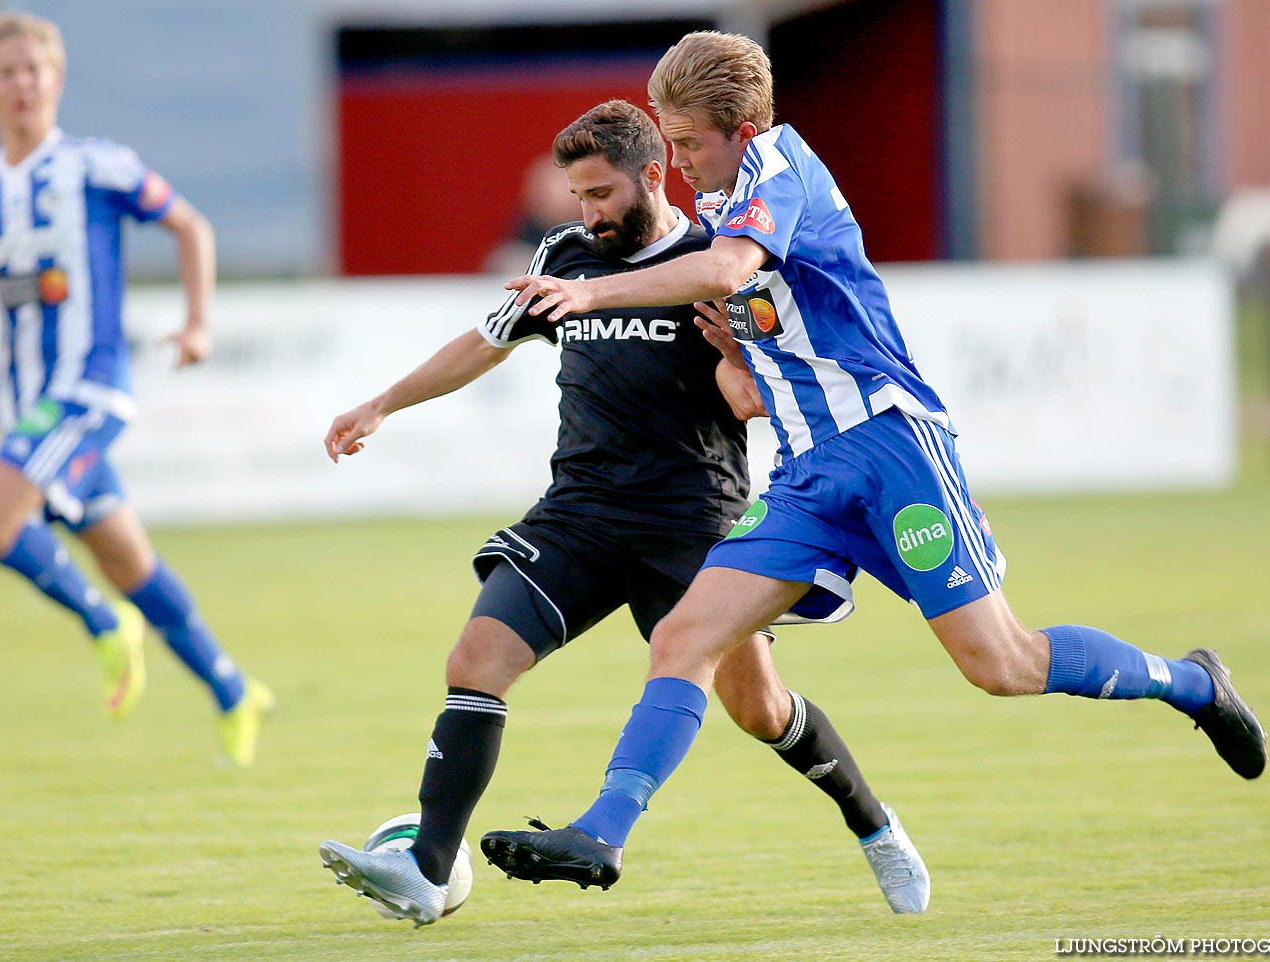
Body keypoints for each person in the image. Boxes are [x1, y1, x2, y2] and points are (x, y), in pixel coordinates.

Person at [482, 31, 1267, 893]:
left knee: (1000, 665)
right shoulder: (720, 205)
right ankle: (603, 833)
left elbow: (732, 266)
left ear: (744, 127)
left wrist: (591, 288)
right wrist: (738, 366)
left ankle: (1190, 683)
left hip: (893, 450)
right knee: (683, 635)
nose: (678, 159)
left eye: (691, 141)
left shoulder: (778, 172)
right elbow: (755, 376)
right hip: (806, 475)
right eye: (668, 140)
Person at [317, 99, 929, 927]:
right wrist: (382, 404)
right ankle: (427, 868)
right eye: (577, 195)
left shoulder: (720, 258)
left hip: (693, 522)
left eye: (601, 194)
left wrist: (724, 351)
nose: (587, 213)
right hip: (580, 513)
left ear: (653, 175)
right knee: (476, 657)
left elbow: (753, 400)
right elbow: (485, 342)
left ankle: (874, 825)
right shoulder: (567, 254)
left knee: (761, 710)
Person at [0, 12, 273, 765]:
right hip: (29, 408)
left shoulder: (93, 165)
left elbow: (190, 226)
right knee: (130, 563)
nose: (22, 83)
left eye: (34, 69)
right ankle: (235, 691)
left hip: (88, 390)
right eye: (7, 71)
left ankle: (103, 624)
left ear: (57, 78)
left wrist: (198, 324)